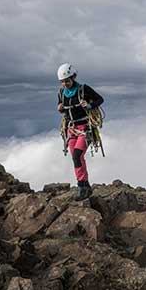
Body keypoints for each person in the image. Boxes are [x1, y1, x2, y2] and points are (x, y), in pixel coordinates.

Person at [55, 63, 104, 199]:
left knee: (77, 155)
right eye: (63, 81)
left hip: (85, 128)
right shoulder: (61, 93)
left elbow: (100, 99)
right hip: (71, 128)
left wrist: (89, 105)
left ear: (73, 77)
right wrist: (60, 109)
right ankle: (84, 185)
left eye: (67, 81)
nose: (65, 84)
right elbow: (64, 109)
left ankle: (82, 186)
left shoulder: (83, 89)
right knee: (76, 158)